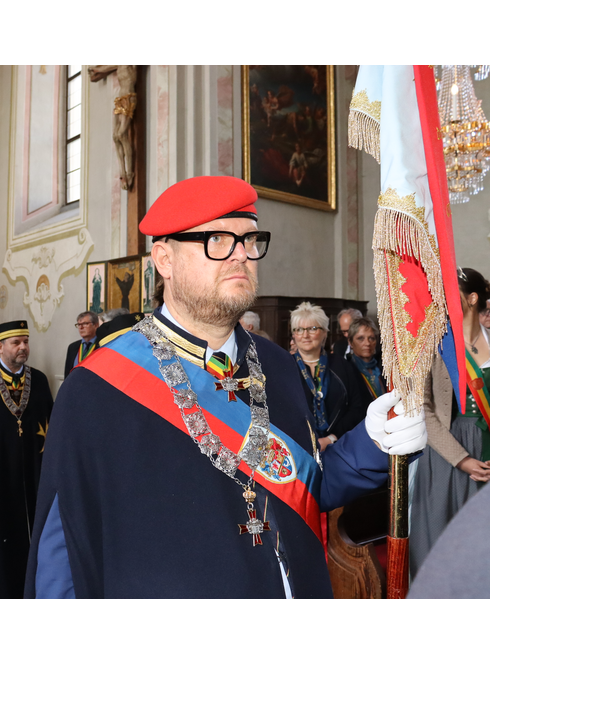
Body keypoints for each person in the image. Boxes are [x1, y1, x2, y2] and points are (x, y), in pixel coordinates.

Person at [26, 175, 426, 599]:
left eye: (249, 239)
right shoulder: (97, 388)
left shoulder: (276, 365)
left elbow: (305, 486)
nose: (241, 255)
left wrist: (374, 442)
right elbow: (62, 552)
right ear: (164, 258)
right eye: (218, 239)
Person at [408, 266, 490, 580]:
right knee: (439, 541)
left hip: (487, 449)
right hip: (446, 455)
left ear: (471, 298)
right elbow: (425, 412)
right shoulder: (434, 345)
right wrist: (462, 459)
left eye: (449, 295)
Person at [0, 320, 54, 599]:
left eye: (26, 342)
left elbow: (51, 428)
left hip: (33, 476)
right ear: (0, 346)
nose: (23, 348)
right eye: (16, 343)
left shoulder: (39, 380)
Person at [290, 302, 360, 452]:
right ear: (294, 335)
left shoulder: (343, 367)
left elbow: (358, 407)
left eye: (313, 329)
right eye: (299, 330)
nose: (305, 335)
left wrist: (332, 438)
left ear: (325, 333)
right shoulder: (283, 367)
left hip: (341, 446)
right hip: (297, 449)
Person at [64, 312, 100, 378]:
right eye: (78, 324)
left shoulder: (102, 345)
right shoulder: (73, 347)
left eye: (85, 324)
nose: (81, 327)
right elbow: (67, 373)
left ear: (95, 325)